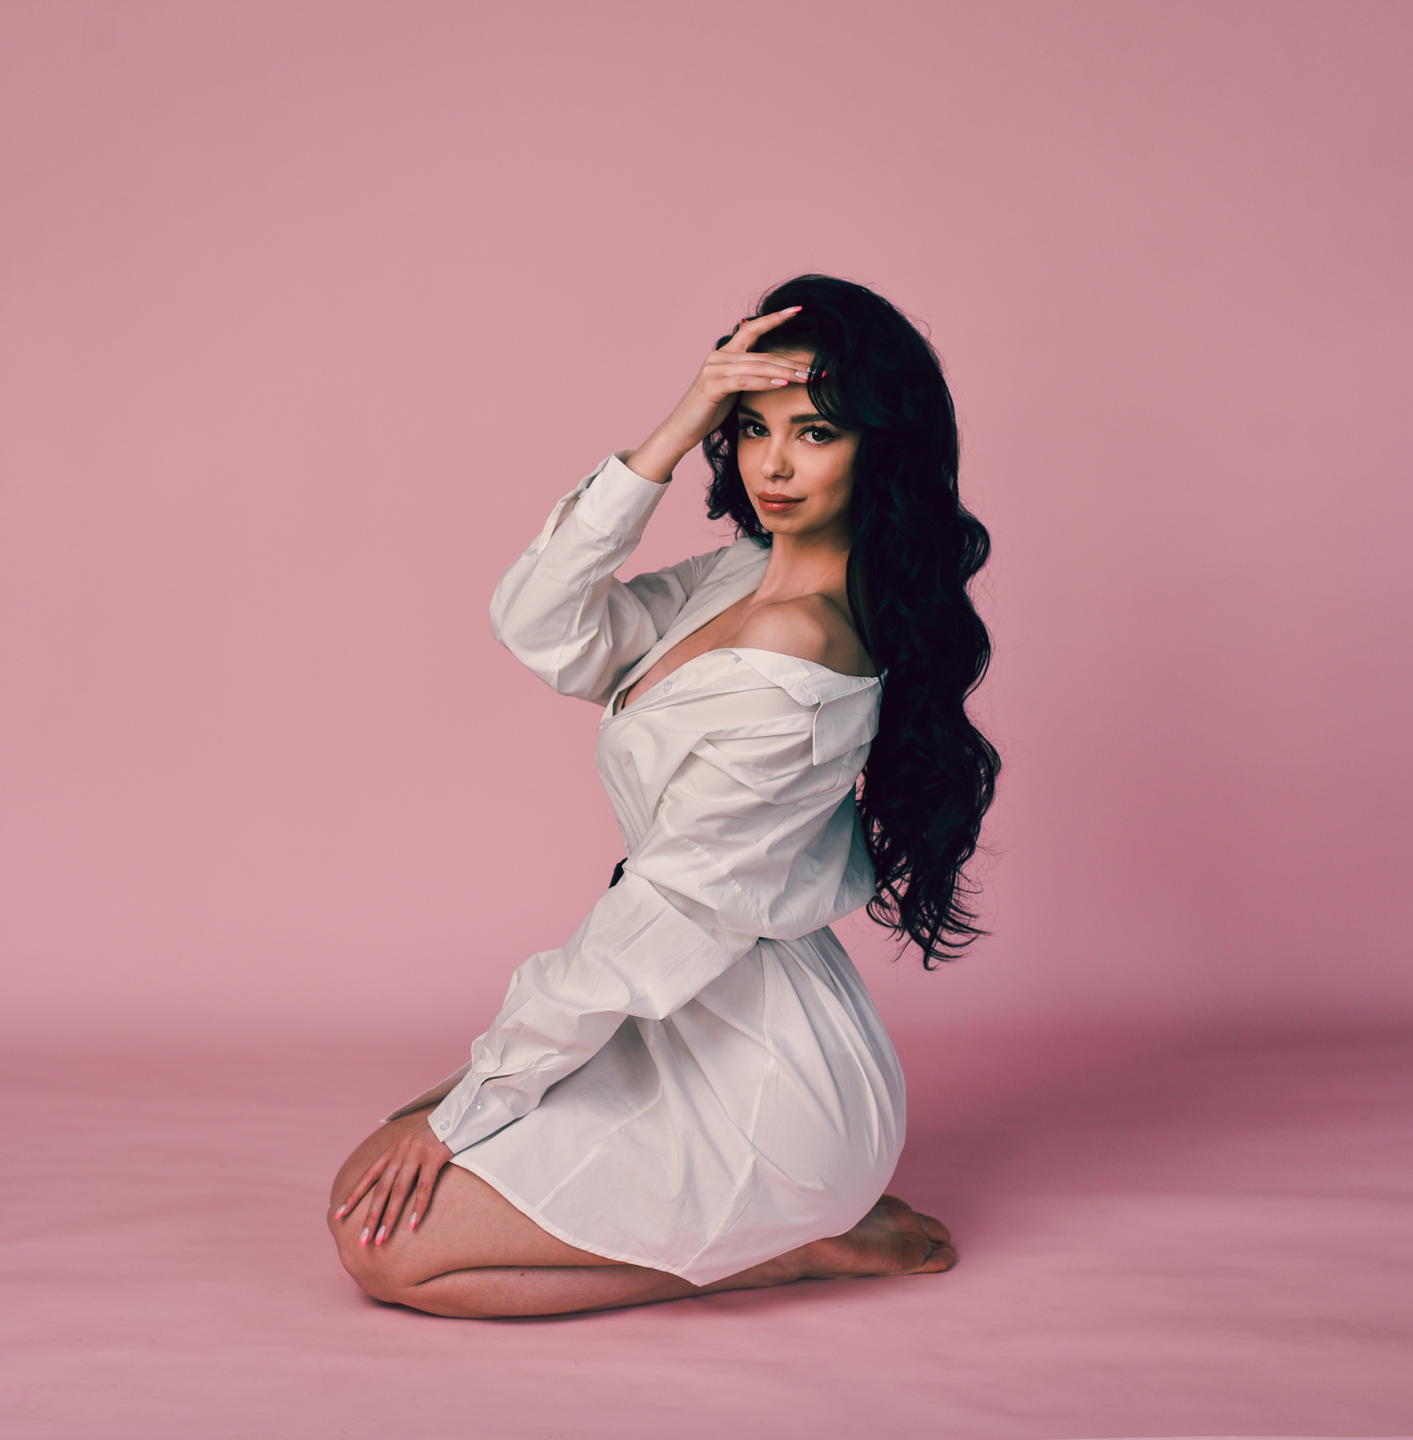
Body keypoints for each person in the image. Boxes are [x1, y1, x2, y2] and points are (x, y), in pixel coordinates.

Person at [330, 275, 1000, 1318]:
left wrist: (481, 1096)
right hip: (672, 1005)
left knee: (384, 1251)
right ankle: (779, 1233)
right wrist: (673, 429)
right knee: (373, 1176)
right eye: (751, 427)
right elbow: (543, 625)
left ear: (881, 448)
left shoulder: (802, 657)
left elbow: (666, 911)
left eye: (816, 432)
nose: (773, 465)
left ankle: (797, 1248)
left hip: (766, 1085)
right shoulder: (738, 579)